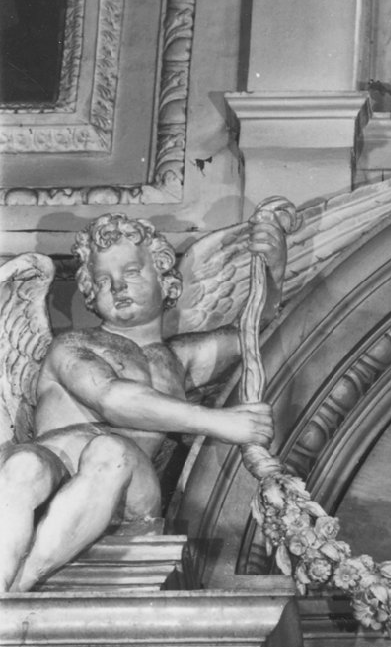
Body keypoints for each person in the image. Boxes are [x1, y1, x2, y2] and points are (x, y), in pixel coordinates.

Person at [0, 214, 277, 591]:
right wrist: (220, 422)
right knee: (23, 464)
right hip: (58, 465)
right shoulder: (73, 345)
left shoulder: (179, 358)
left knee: (110, 450)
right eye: (102, 280)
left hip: (130, 489)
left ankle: (20, 587)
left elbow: (256, 329)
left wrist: (273, 264)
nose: (117, 286)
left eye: (131, 272)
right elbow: (112, 398)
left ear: (165, 280)